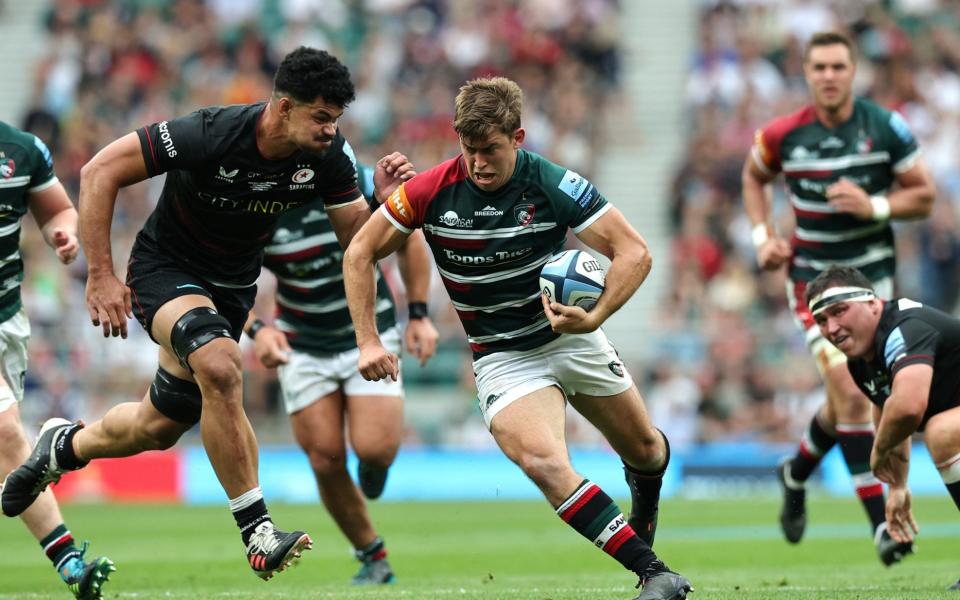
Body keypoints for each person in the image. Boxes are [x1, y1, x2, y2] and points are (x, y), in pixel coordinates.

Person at [1, 47, 412, 580]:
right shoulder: (209, 132)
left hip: (232, 290)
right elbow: (101, 169)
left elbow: (358, 247)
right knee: (221, 365)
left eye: (336, 119)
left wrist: (385, 210)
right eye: (321, 117)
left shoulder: (329, 158)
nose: (330, 130)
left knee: (157, 426)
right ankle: (258, 533)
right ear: (283, 108)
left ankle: (63, 446)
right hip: (163, 270)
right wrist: (102, 275)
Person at [342, 76, 693, 600]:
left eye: (491, 150)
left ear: (519, 136)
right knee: (543, 461)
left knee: (645, 451)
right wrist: (369, 341)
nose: (479, 163)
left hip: (570, 338)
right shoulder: (429, 190)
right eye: (469, 149)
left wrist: (594, 316)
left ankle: (646, 498)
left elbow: (635, 252)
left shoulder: (553, 182)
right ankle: (655, 573)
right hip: (503, 357)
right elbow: (359, 252)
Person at [741, 30, 936, 563]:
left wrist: (873, 206)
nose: (828, 76)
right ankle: (881, 526)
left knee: (856, 400)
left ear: (853, 72)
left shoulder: (886, 127)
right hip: (812, 283)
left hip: (876, 286)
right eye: (819, 67)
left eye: (837, 67)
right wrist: (763, 237)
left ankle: (797, 470)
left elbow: (924, 194)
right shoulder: (784, 135)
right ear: (806, 73)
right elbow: (753, 178)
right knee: (855, 397)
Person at [248, 161, 437, 584]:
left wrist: (419, 315)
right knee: (324, 457)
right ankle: (372, 554)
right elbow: (225, 276)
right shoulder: (257, 205)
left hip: (370, 332)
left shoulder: (361, 181)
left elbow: (408, 242)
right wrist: (257, 330)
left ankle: (374, 468)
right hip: (302, 344)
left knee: (374, 450)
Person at [0, 120, 115, 598]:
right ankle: (67, 560)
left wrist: (61, 235)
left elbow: (57, 211)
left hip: (6, 320)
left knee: (8, 445)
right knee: (6, 433)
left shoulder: (22, 150)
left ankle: (67, 559)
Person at [805, 265, 960, 591]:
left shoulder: (904, 329)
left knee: (943, 433)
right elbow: (887, 407)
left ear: (872, 303)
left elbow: (906, 408)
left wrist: (877, 453)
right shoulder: (861, 360)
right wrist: (898, 485)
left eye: (839, 311)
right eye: (822, 321)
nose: (831, 328)